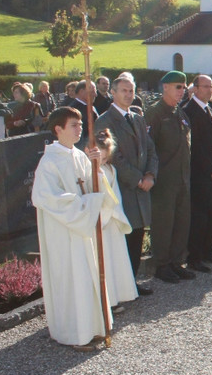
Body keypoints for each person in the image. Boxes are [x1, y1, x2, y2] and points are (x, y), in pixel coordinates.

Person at [31, 107, 115, 350]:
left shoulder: (79, 156)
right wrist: (87, 204)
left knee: (88, 277)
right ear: (58, 129)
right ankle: (73, 334)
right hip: (64, 232)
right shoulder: (49, 162)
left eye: (80, 124)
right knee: (72, 278)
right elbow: (47, 198)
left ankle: (93, 327)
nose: (80, 129)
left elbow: (94, 186)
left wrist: (96, 167)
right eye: (74, 125)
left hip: (83, 229)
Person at [95, 75, 157, 295]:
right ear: (113, 92)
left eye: (131, 91)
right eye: (124, 91)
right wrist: (137, 179)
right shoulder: (105, 121)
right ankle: (122, 286)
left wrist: (150, 175)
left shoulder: (137, 118)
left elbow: (150, 149)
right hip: (123, 188)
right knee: (125, 238)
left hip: (141, 187)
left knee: (137, 236)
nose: (129, 95)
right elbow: (112, 156)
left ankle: (131, 283)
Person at [145, 71, 194, 285]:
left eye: (183, 87)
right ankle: (162, 264)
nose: (182, 91)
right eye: (177, 87)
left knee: (181, 221)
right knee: (163, 223)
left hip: (182, 177)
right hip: (164, 179)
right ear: (165, 87)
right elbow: (149, 147)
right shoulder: (155, 113)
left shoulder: (180, 112)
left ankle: (176, 261)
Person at [93, 130, 137, 311]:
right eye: (100, 159)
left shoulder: (111, 170)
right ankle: (104, 302)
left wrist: (114, 212)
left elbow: (115, 194)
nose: (102, 162)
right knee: (103, 262)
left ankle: (116, 297)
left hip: (112, 220)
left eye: (105, 159)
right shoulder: (89, 172)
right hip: (101, 221)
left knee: (114, 261)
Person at [183, 75, 212, 271]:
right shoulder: (189, 110)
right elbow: (195, 146)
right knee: (198, 216)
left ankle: (207, 251)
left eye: (211, 86)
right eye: (206, 86)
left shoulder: (208, 109)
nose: (210, 90)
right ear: (195, 89)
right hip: (199, 173)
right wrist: (211, 168)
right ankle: (194, 257)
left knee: (210, 214)